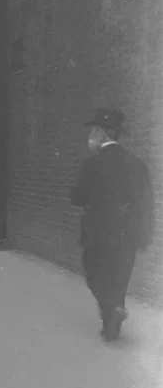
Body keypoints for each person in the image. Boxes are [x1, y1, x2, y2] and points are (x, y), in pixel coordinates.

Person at [70, 108, 154, 342]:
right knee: (119, 280)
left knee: (95, 274)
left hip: (97, 233)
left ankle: (112, 312)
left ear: (102, 133)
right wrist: (144, 236)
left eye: (93, 131)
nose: (90, 136)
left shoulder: (91, 164)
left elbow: (77, 198)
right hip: (127, 235)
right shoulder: (137, 165)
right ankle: (111, 326)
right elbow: (146, 204)